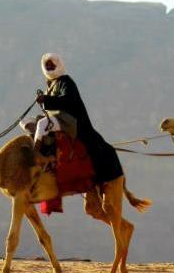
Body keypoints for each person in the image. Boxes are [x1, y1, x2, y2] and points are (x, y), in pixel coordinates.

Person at [35, 53, 124, 185]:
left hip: (69, 121)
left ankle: (34, 154)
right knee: (27, 121)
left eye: (51, 65)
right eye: (47, 65)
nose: (49, 68)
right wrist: (44, 100)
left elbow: (67, 101)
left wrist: (46, 99)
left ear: (58, 65)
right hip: (57, 119)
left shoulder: (66, 82)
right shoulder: (51, 84)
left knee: (42, 124)